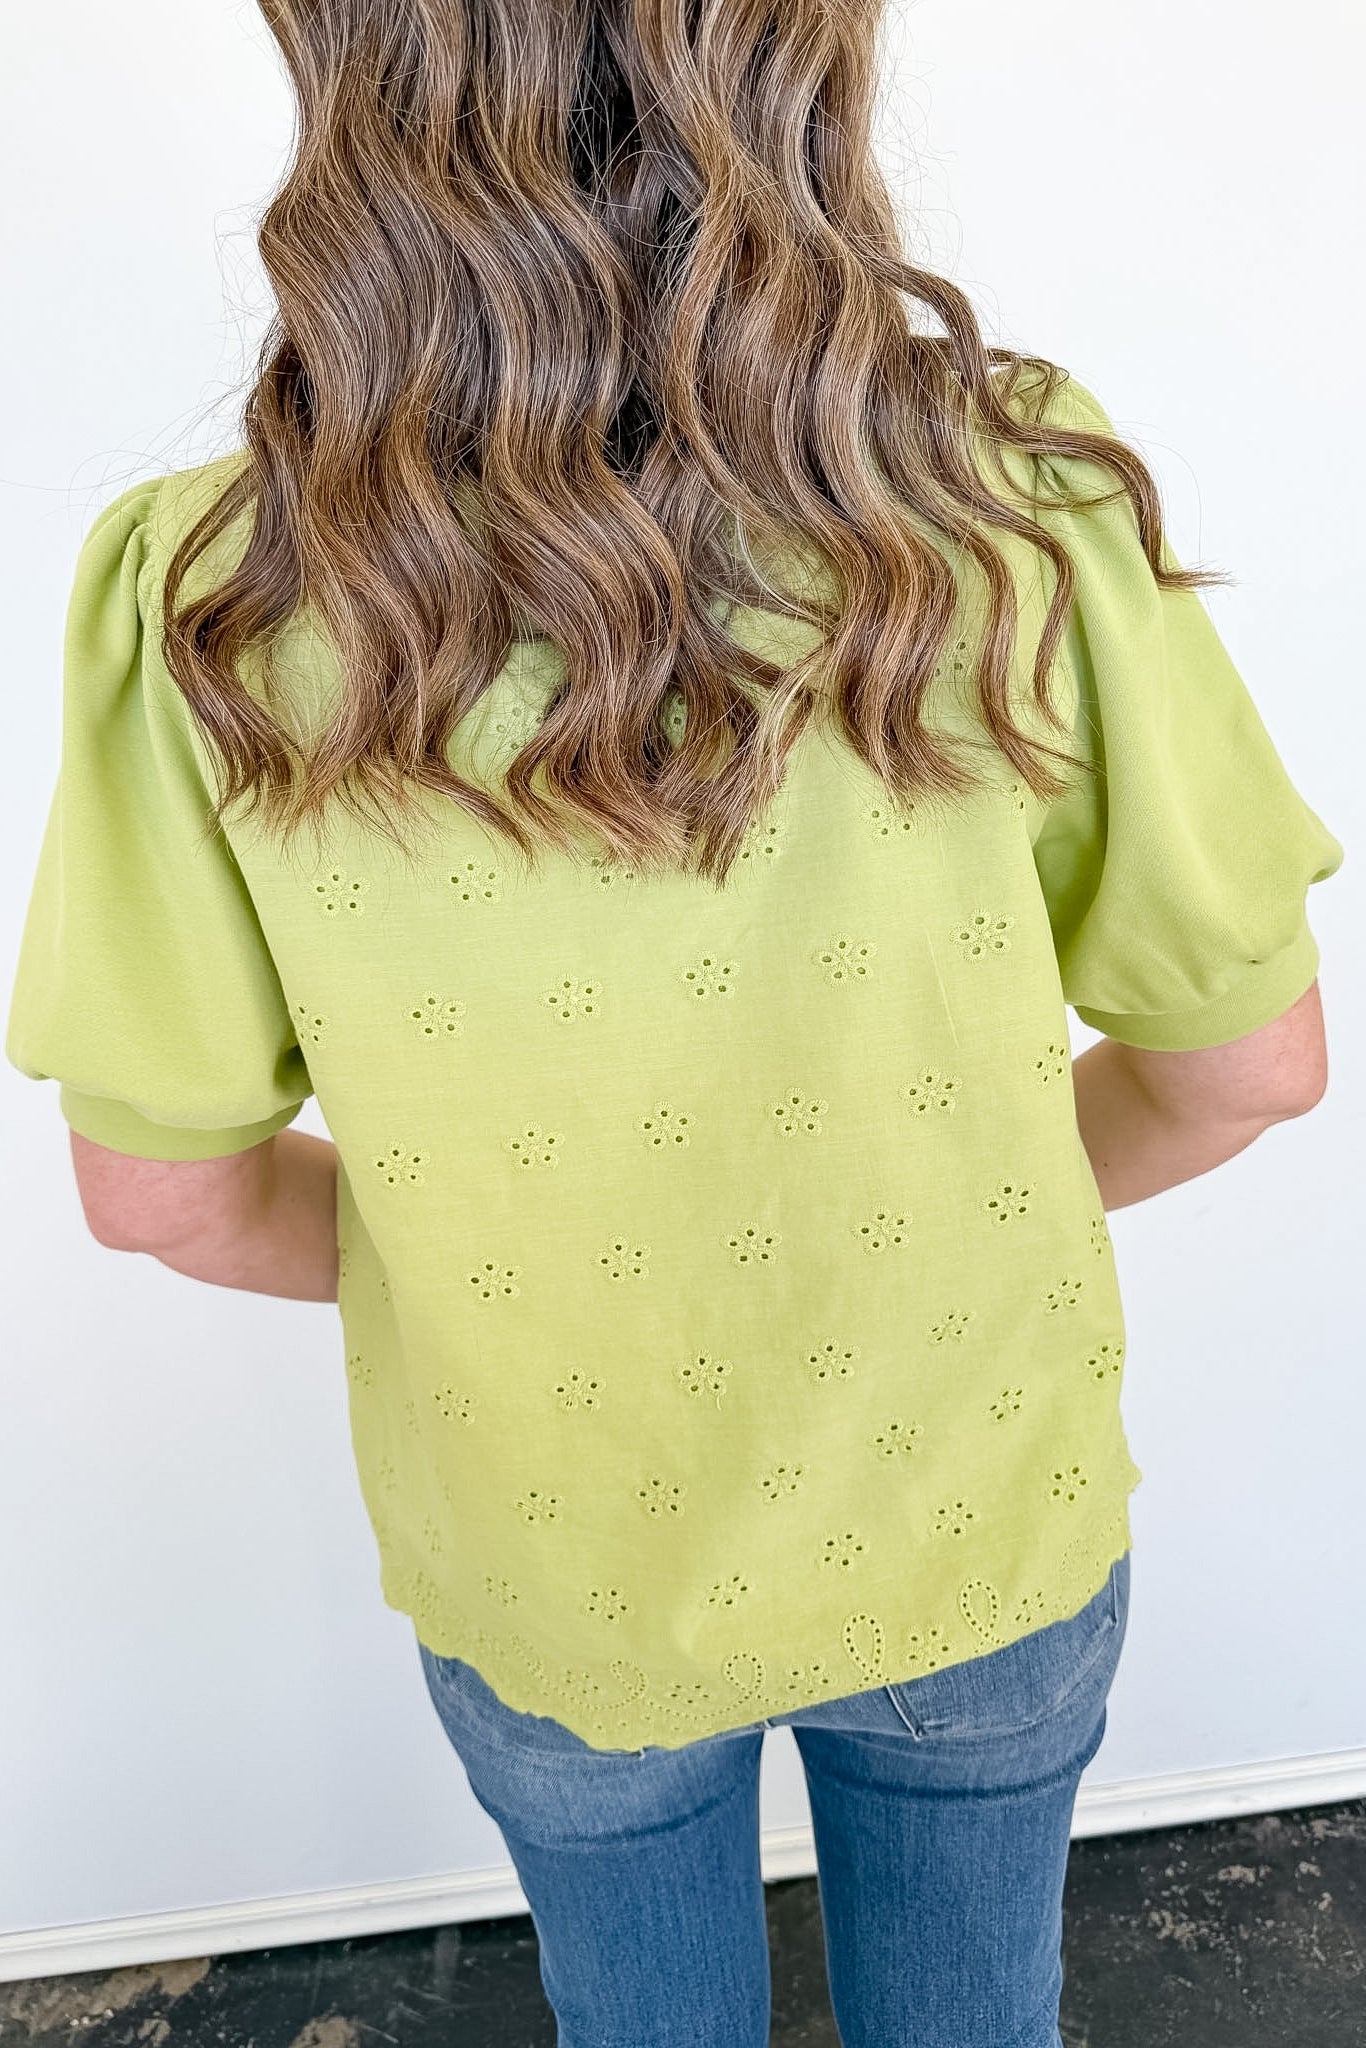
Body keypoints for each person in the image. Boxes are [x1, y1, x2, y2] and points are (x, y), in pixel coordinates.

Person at [5, 3, 1344, 2044]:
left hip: (550, 1562)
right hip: (979, 1509)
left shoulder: (204, 599)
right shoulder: (1011, 502)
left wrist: (479, 1261)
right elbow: (1249, 1064)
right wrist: (959, 1194)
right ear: (798, 70)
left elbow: (162, 1196)